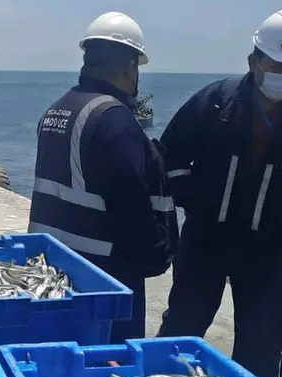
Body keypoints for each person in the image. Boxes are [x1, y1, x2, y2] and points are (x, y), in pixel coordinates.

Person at [156, 9, 282, 377]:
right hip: (204, 240)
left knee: (261, 346)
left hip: (268, 249)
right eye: (279, 65)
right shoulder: (215, 100)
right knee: (182, 327)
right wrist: (194, 199)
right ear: (254, 60)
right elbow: (168, 155)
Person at [27, 11, 177, 341]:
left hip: (49, 267)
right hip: (104, 280)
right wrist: (156, 254)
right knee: (109, 372)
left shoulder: (57, 109)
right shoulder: (113, 119)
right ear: (130, 67)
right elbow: (132, 206)